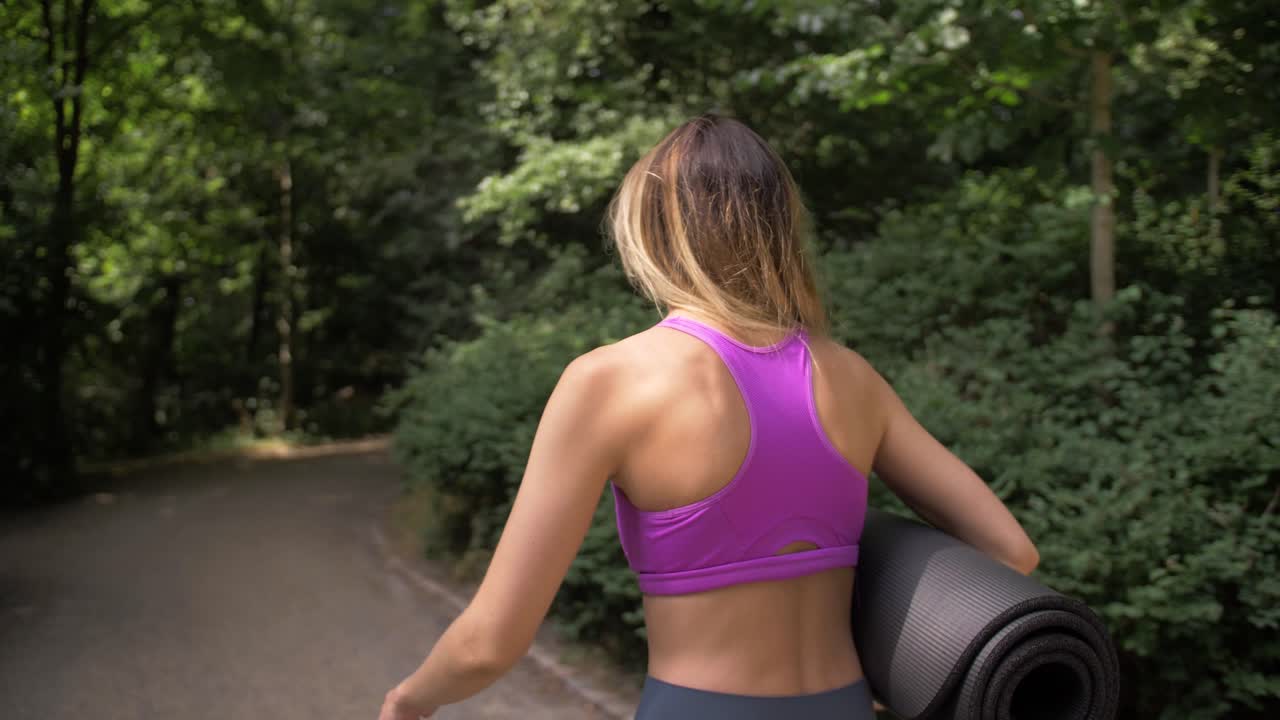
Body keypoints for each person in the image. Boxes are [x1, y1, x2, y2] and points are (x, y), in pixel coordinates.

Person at [378, 114, 1039, 720]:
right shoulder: (852, 377)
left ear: (654, 233)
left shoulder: (609, 382)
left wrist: (410, 701)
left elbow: (491, 642)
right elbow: (1012, 551)